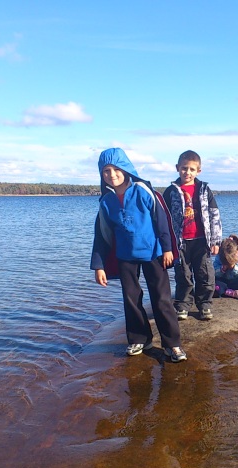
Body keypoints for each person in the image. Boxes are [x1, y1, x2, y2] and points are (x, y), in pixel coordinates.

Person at [90, 147, 186, 363]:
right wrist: (99, 265)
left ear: (126, 169)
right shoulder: (106, 202)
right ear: (101, 174)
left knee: (161, 299)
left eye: (116, 169)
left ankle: (173, 344)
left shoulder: (143, 190)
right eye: (106, 171)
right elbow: (102, 235)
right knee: (131, 299)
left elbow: (161, 220)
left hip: (154, 253)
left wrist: (168, 248)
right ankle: (140, 339)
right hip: (126, 256)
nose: (112, 174)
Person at [163, 150, 222, 321]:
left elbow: (214, 215)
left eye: (191, 169)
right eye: (184, 168)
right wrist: (166, 243)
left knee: (205, 274)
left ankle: (204, 305)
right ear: (177, 168)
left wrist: (216, 241)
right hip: (180, 242)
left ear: (198, 171)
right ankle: (182, 305)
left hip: (202, 241)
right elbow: (164, 217)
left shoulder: (204, 190)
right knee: (183, 274)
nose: (187, 173)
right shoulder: (171, 191)